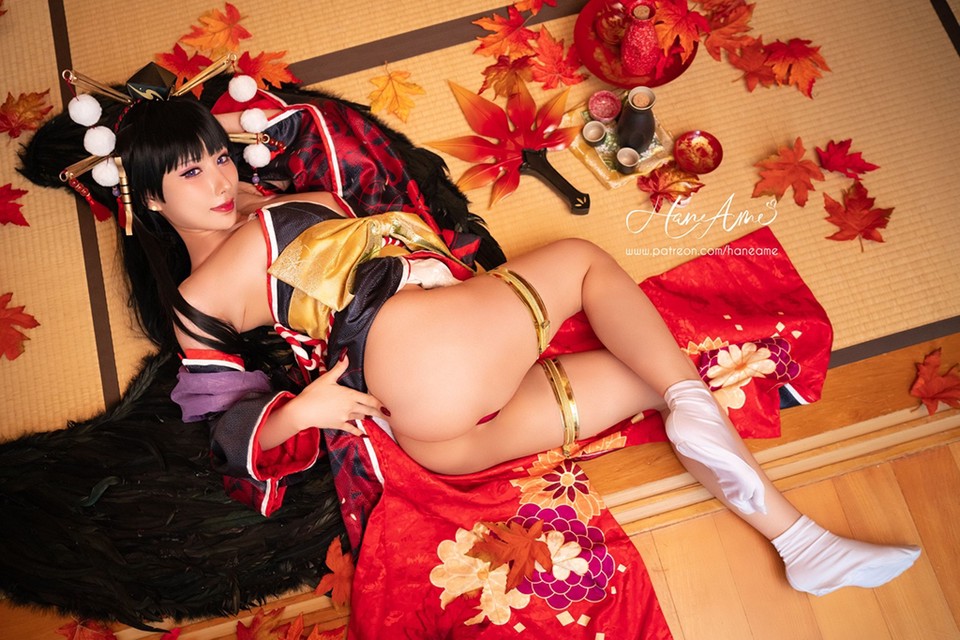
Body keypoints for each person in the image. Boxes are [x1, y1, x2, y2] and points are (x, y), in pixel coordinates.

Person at [27, 64, 918, 603]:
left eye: (219, 157)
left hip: (438, 433)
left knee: (641, 376)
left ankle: (797, 540)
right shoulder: (198, 294)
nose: (219, 181)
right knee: (584, 262)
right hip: (424, 353)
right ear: (148, 200)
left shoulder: (258, 206)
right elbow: (223, 428)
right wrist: (302, 411)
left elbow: (298, 134)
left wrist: (173, 122)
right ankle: (690, 401)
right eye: (189, 175)